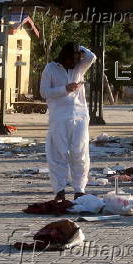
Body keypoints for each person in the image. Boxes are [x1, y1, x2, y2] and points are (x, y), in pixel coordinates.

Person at [40, 42, 97, 200]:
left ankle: (79, 190)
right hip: (58, 117)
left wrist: (79, 48)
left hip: (80, 116)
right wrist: (65, 89)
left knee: (80, 153)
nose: (74, 62)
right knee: (59, 153)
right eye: (71, 58)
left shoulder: (79, 67)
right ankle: (60, 190)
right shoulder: (50, 68)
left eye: (77, 58)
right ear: (63, 56)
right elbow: (44, 92)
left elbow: (92, 57)